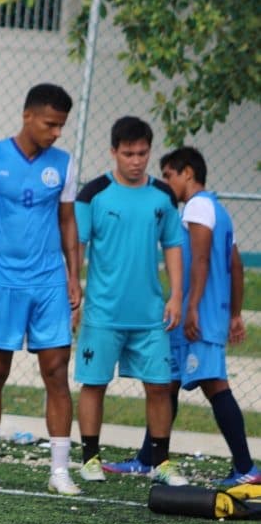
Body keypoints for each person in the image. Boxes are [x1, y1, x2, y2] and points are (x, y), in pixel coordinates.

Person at [102, 147, 260, 485]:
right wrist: (234, 313)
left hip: (197, 318)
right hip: (200, 315)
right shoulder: (219, 210)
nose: (165, 182)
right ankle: (148, 459)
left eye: (169, 175)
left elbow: (201, 260)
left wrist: (192, 308)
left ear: (188, 173)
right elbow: (235, 265)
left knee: (214, 385)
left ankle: (246, 468)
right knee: (166, 383)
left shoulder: (198, 207)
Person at [0, 83, 83, 495]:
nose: (56, 133)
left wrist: (74, 276)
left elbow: (68, 221)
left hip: (48, 283)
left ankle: (60, 471)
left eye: (61, 126)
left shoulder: (63, 164)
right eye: (50, 124)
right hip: (1, 283)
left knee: (56, 373)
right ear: (27, 116)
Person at [73, 116, 188, 486]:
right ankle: (90, 458)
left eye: (142, 153)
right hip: (103, 313)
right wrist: (72, 293)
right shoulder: (93, 194)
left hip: (150, 314)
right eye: (128, 154)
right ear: (113, 152)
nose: (136, 161)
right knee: (94, 384)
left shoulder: (163, 196)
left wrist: (176, 296)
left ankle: (161, 462)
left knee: (159, 386)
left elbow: (173, 245)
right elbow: (76, 247)